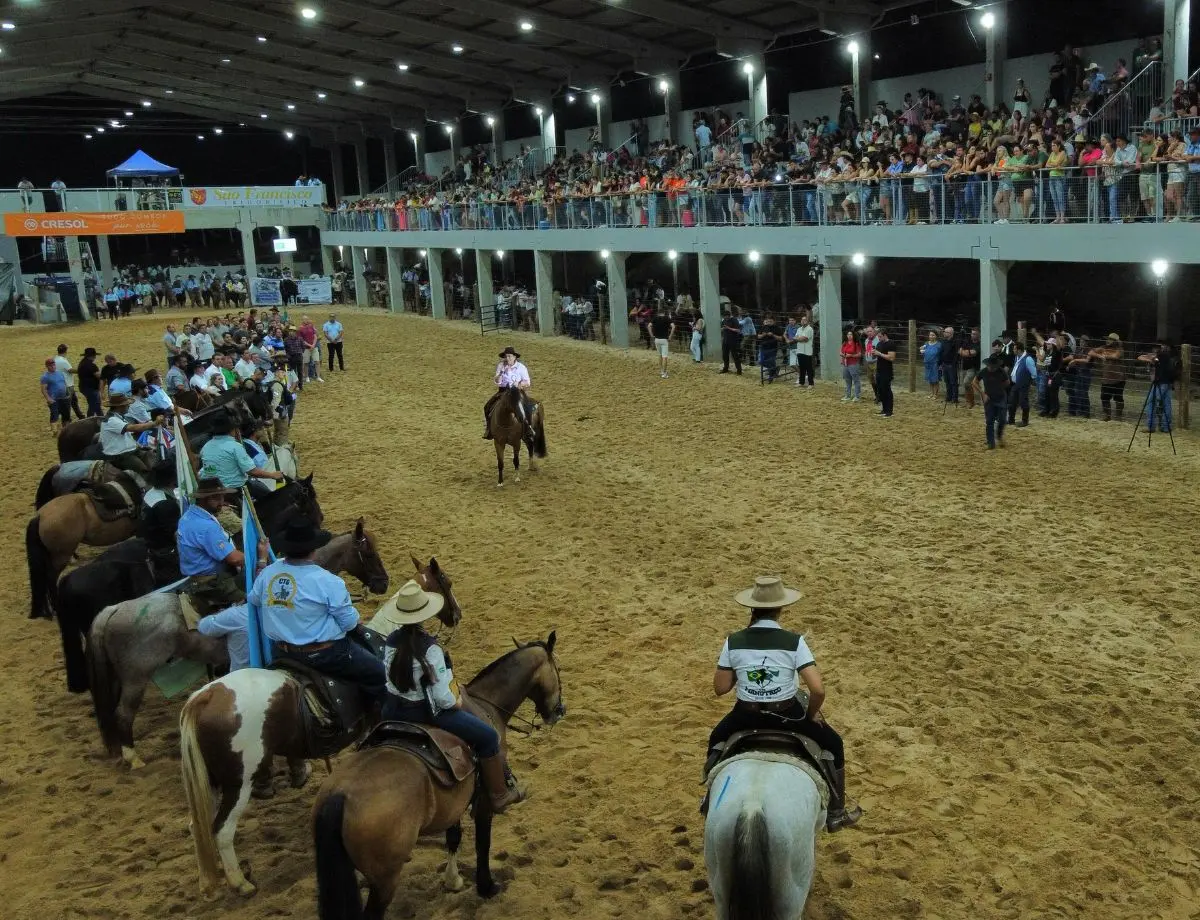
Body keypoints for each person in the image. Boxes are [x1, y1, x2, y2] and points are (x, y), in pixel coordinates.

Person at [706, 576, 861, 832]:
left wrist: (741, 667)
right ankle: (836, 812)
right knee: (834, 744)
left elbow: (720, 688)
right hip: (787, 713)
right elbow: (818, 690)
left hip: (745, 716)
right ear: (780, 609)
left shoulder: (733, 641)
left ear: (751, 609)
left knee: (716, 739)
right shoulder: (794, 641)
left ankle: (708, 801)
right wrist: (810, 715)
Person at [381, 580, 526, 813]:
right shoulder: (431, 649)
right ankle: (499, 795)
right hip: (425, 712)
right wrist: (456, 701)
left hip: (392, 710)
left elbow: (389, 682)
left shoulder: (389, 642)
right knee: (489, 737)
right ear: (424, 614)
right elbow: (443, 699)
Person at [253, 518, 387, 703]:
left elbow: (254, 598)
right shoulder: (328, 581)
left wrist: (261, 561)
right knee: (378, 673)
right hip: (324, 656)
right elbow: (348, 623)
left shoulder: (269, 572)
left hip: (282, 652)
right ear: (314, 550)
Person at [177, 477, 259, 615]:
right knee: (256, 605)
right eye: (217, 498)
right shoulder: (206, 526)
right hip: (214, 583)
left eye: (222, 497)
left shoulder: (188, 516)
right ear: (205, 499)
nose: (222, 503)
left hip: (197, 578)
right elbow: (235, 559)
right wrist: (260, 557)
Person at [199, 411, 285, 498]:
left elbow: (207, 470)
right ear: (232, 429)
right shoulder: (235, 447)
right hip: (235, 490)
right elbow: (252, 471)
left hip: (213, 490)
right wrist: (273, 475)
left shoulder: (205, 447)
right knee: (271, 497)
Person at [99, 394, 164, 475]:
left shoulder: (119, 417)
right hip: (120, 455)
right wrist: (155, 423)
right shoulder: (111, 420)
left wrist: (140, 446)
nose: (129, 406)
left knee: (154, 460)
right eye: (127, 405)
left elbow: (127, 436)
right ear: (119, 407)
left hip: (131, 451)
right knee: (144, 472)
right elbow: (134, 428)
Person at [483, 346, 533, 440]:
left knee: (526, 407)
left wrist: (519, 383)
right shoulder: (501, 365)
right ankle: (489, 428)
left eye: (509, 356)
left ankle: (528, 428)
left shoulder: (521, 368)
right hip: (503, 391)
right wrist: (501, 373)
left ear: (514, 357)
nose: (507, 358)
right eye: (506, 356)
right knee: (487, 406)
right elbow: (497, 381)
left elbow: (527, 382)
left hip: (517, 392)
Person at [972, 353, 1010, 449]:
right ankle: (990, 442)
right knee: (989, 421)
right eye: (990, 366)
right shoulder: (983, 371)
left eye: (994, 367)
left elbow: (1007, 382)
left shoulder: (1001, 371)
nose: (992, 368)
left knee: (1002, 419)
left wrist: (1000, 388)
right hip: (989, 399)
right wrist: (982, 394)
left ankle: (999, 436)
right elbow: (974, 382)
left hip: (1001, 398)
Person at [1137, 340, 1176, 432]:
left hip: (1159, 383)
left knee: (1151, 403)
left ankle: (1151, 426)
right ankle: (1166, 427)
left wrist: (1150, 358)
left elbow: (1140, 357)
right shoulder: (1169, 356)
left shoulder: (1159, 357)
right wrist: (1151, 358)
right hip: (1167, 383)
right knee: (1167, 404)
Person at [1088, 333, 1126, 422]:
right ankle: (1107, 416)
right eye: (1108, 339)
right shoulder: (1103, 347)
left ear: (1115, 342)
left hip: (1118, 378)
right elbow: (1090, 352)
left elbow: (1116, 356)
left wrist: (1104, 356)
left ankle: (1118, 417)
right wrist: (1099, 355)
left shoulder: (1119, 349)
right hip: (1106, 378)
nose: (1108, 341)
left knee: (1118, 397)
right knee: (1104, 397)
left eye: (1111, 339)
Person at [1007, 342, 1037, 427]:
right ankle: (1011, 419)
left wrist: (1029, 381)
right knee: (1012, 401)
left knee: (1023, 402)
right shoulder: (1017, 357)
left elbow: (1034, 373)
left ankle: (1025, 421)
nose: (1013, 350)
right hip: (1015, 383)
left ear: (1019, 350)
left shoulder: (1028, 359)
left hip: (1023, 384)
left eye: (1014, 349)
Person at [39, 358, 72, 434]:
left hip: (64, 397)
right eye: (50, 365)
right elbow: (43, 389)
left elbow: (64, 384)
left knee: (66, 415)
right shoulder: (45, 377)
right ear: (47, 366)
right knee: (54, 414)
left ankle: (66, 430)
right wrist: (48, 398)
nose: (53, 366)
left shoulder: (60, 373)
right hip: (54, 399)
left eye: (53, 365)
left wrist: (68, 394)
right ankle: (55, 431)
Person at [54, 344, 86, 421]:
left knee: (73, 401)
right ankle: (69, 418)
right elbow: (70, 370)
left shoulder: (56, 359)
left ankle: (80, 415)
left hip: (62, 385)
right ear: (65, 351)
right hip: (68, 385)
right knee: (69, 403)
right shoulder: (63, 361)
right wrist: (82, 370)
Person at [874, 327, 896, 417]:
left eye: (880, 336)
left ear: (884, 335)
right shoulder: (879, 344)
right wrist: (874, 354)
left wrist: (879, 354)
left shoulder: (890, 343)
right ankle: (884, 409)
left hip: (886, 371)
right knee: (881, 390)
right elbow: (878, 356)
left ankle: (889, 411)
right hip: (879, 369)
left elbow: (891, 358)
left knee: (887, 390)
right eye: (878, 337)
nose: (878, 338)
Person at [77, 346, 103, 417]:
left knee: (96, 405)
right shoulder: (91, 365)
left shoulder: (82, 363)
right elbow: (99, 376)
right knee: (93, 405)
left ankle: (102, 418)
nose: (95, 357)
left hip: (83, 387)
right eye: (94, 356)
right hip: (91, 388)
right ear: (92, 356)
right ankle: (89, 420)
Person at [649, 307, 674, 379]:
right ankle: (664, 373)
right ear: (664, 313)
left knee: (659, 355)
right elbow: (673, 326)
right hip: (664, 340)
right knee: (665, 357)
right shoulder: (667, 318)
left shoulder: (655, 318)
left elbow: (649, 326)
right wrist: (670, 336)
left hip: (656, 339)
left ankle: (661, 371)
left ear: (658, 313)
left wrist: (651, 335)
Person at [840, 328, 863, 401]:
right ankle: (848, 395)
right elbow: (840, 352)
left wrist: (851, 356)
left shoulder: (856, 344)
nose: (849, 336)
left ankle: (857, 395)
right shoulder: (844, 343)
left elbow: (859, 354)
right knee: (847, 380)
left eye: (851, 334)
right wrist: (843, 356)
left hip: (853, 363)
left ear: (853, 336)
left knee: (856, 379)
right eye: (848, 334)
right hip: (845, 363)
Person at [939, 326, 960, 404]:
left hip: (951, 364)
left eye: (946, 332)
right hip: (944, 364)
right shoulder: (943, 342)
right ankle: (948, 396)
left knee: (953, 382)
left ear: (951, 334)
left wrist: (953, 363)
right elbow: (941, 352)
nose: (944, 333)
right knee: (947, 381)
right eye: (944, 331)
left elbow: (956, 354)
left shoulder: (955, 342)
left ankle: (955, 398)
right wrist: (940, 363)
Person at [718, 310, 742, 375]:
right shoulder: (724, 321)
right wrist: (722, 329)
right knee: (724, 355)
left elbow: (738, 330)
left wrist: (728, 328)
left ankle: (739, 370)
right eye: (724, 317)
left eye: (727, 316)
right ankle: (725, 368)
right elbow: (721, 329)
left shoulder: (734, 320)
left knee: (735, 355)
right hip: (725, 340)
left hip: (733, 340)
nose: (726, 318)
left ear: (729, 315)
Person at [920, 330, 941, 399]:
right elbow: (923, 353)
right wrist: (921, 351)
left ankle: (936, 394)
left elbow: (941, 355)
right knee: (930, 379)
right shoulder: (926, 343)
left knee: (935, 379)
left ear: (936, 336)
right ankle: (931, 393)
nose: (931, 336)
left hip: (935, 364)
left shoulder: (939, 345)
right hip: (927, 364)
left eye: (933, 335)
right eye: (930, 335)